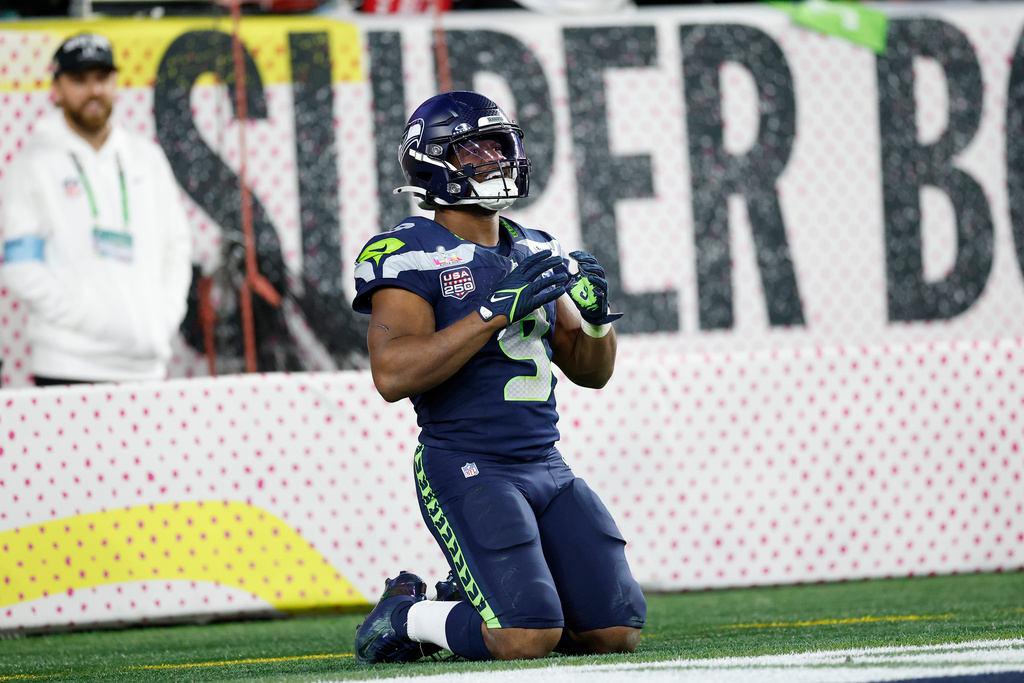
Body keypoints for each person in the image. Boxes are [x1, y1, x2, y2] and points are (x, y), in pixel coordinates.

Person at [351, 90, 646, 663]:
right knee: (524, 637)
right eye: (474, 150)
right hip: (467, 463)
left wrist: (595, 324)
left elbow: (592, 375)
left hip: (546, 464)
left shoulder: (536, 246)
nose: (493, 160)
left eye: (498, 145)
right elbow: (390, 375)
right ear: (433, 162)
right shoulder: (407, 251)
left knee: (614, 632)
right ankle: (405, 615)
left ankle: (482, 593)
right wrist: (492, 314)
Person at [0, 33, 192, 386]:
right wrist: (90, 317)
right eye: (79, 80)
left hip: (146, 367)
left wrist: (161, 320)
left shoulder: (146, 158)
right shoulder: (32, 165)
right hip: (67, 365)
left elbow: (177, 248)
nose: (93, 91)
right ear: (55, 89)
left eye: (102, 78)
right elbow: (20, 265)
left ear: (116, 83)